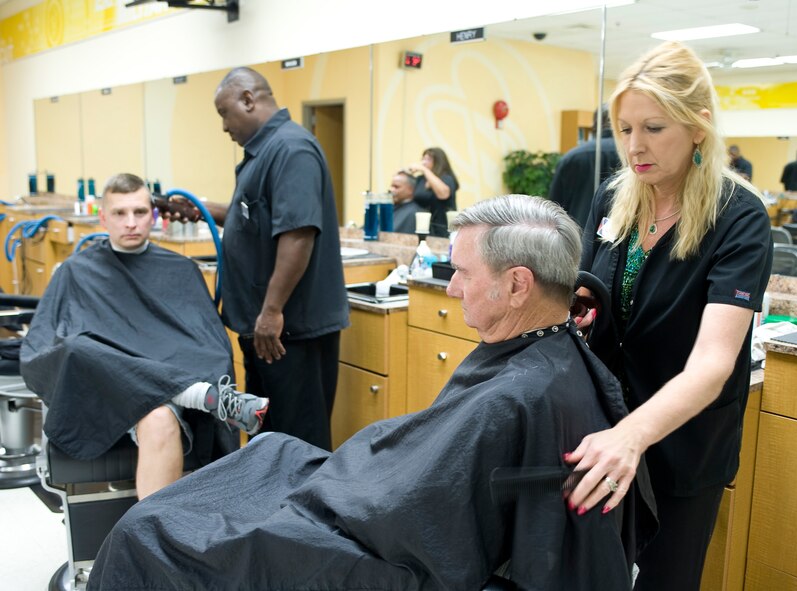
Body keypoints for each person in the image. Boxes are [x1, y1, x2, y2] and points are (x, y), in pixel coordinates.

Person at [87, 195, 657, 591]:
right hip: (378, 490)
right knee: (269, 453)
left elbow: (418, 517)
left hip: (379, 536)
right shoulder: (556, 350)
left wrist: (345, 484)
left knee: (152, 531)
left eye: (460, 271)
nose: (451, 286)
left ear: (516, 285)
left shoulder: (520, 396)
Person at [564, 41, 773, 591]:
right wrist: (581, 309)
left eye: (655, 128)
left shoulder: (738, 217)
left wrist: (633, 436)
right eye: (625, 129)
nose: (635, 146)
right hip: (604, 422)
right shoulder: (614, 198)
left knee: (665, 578)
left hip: (682, 443)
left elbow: (712, 364)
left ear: (698, 125)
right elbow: (590, 288)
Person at [20, 174, 269, 499]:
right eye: (120, 213)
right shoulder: (76, 272)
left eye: (139, 212)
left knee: (160, 418)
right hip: (102, 390)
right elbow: (38, 353)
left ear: (153, 215)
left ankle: (151, 544)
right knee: (76, 348)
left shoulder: (181, 271)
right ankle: (199, 394)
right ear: (103, 217)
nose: (131, 223)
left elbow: (210, 348)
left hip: (157, 400)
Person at [174, 67, 350, 451]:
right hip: (266, 329)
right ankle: (270, 507)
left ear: (249, 100)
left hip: (290, 331)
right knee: (266, 435)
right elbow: (252, 215)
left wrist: (272, 311)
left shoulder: (291, 150)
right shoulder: (265, 153)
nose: (224, 127)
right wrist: (200, 209)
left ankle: (300, 511)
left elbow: (298, 234)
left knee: (297, 441)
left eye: (224, 113)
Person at [550, 103, 621, 226]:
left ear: (594, 125)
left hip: (577, 234)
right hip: (620, 235)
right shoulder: (633, 155)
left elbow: (553, 207)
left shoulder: (571, 158)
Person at [407, 147, 459, 237]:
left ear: (438, 162)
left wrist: (424, 170)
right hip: (421, 226)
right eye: (423, 159)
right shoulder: (420, 179)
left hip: (441, 227)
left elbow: (443, 194)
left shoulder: (446, 178)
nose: (424, 162)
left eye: (428, 159)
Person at [389, 169, 422, 233]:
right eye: (391, 186)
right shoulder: (388, 209)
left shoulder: (414, 214)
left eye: (396, 187)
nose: (391, 190)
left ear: (410, 190)